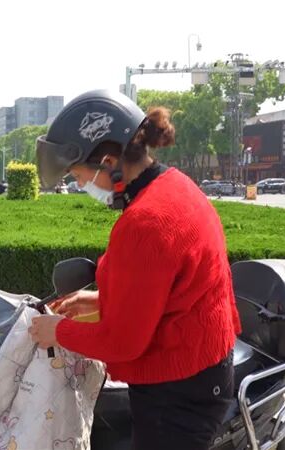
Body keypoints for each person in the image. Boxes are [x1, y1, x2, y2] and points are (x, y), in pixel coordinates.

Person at [28, 89, 241, 450]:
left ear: (108, 161)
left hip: (176, 393)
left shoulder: (144, 223)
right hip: (205, 368)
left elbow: (121, 342)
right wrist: (101, 300)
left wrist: (58, 331)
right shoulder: (174, 185)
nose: (79, 184)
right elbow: (171, 287)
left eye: (78, 174)